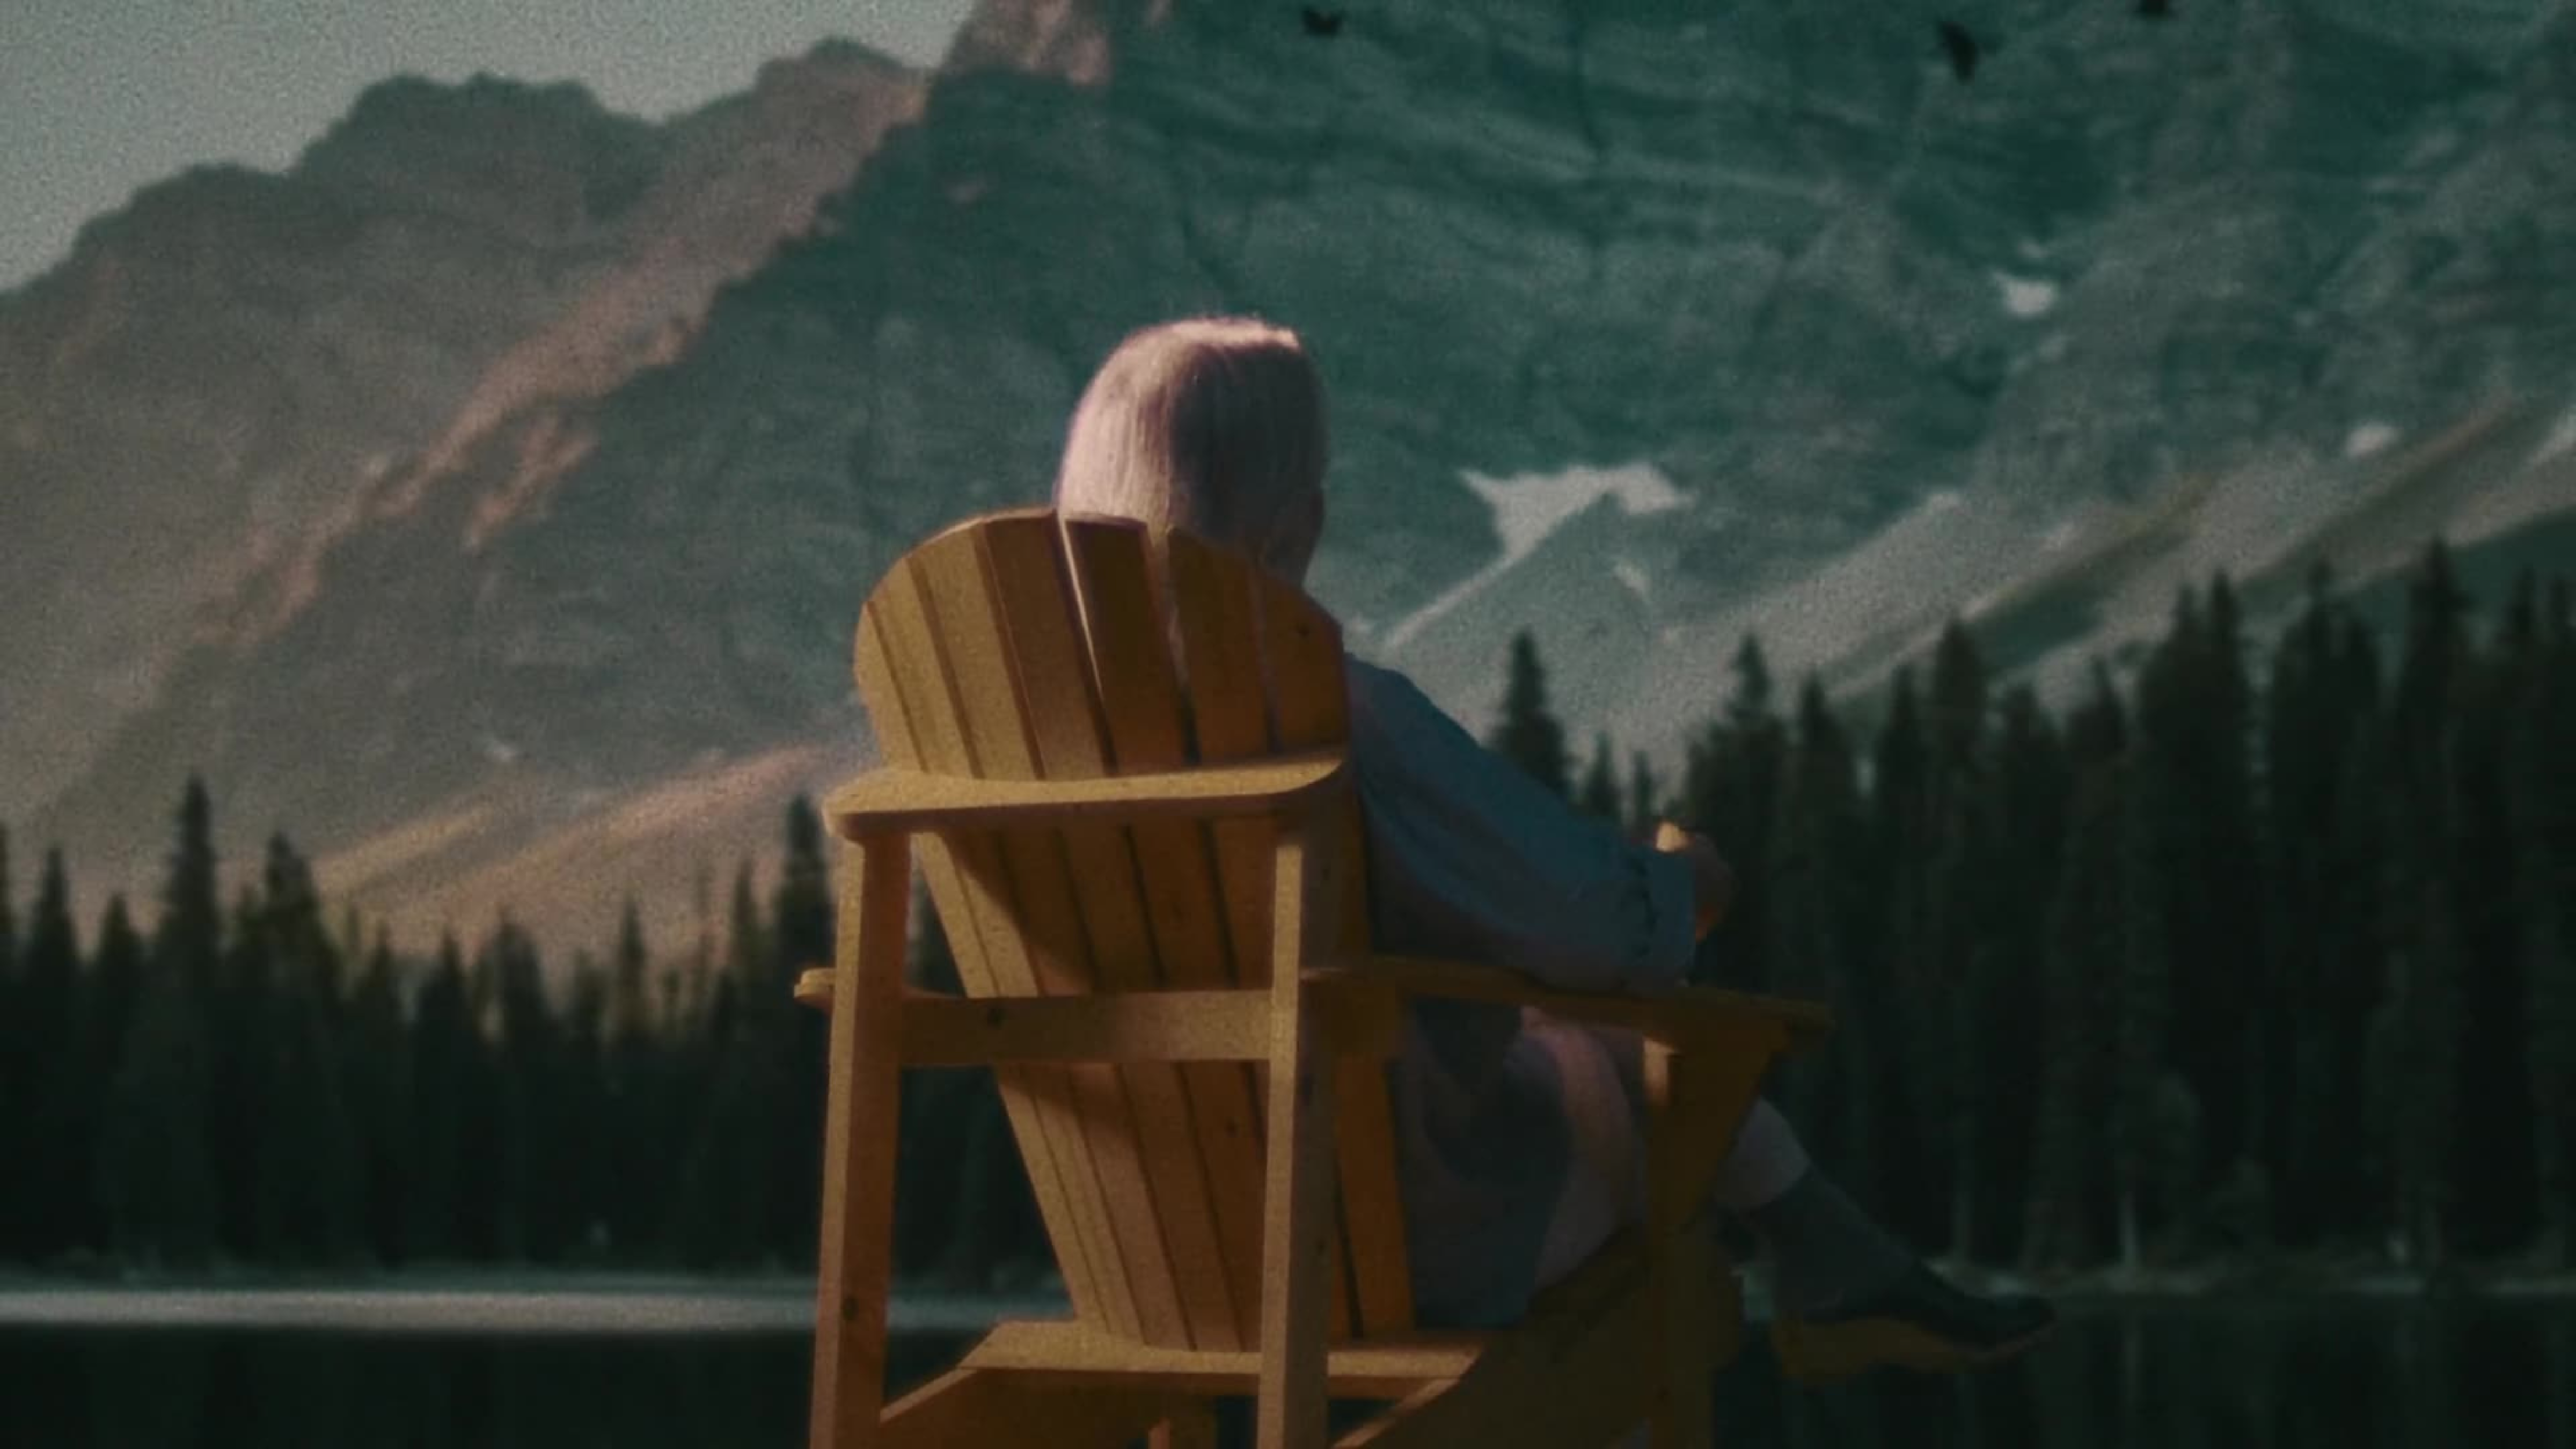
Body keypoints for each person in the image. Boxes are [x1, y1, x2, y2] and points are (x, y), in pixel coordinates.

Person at [1049, 314, 2054, 1381]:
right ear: (1296, 529)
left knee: (1559, 1046)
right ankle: (1840, 1269)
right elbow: (1584, 918)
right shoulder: (1339, 716)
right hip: (1375, 1244)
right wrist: (1681, 887)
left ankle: (1844, 1270)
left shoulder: (1043, 749)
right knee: (1645, 1087)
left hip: (1140, 1247)